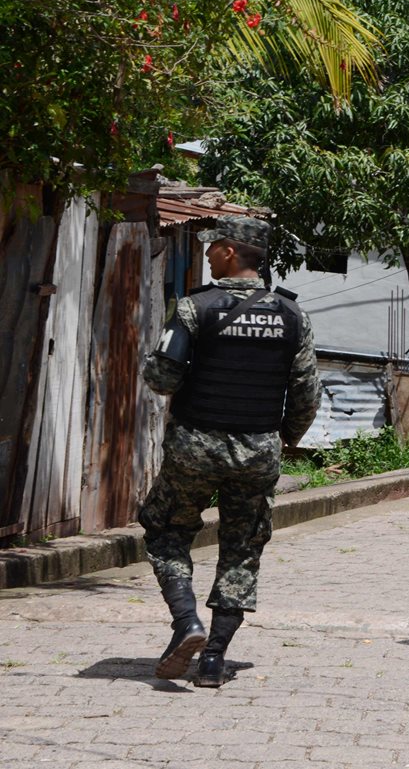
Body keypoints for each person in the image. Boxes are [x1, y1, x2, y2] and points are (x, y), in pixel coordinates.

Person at [139, 215, 320, 687]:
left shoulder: (194, 308)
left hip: (195, 444)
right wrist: (284, 438)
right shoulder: (293, 314)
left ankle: (187, 623)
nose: (206, 253)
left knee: (164, 531)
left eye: (213, 245)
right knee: (242, 550)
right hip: (259, 448)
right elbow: (306, 395)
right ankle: (214, 660)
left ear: (231, 253)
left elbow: (162, 379)